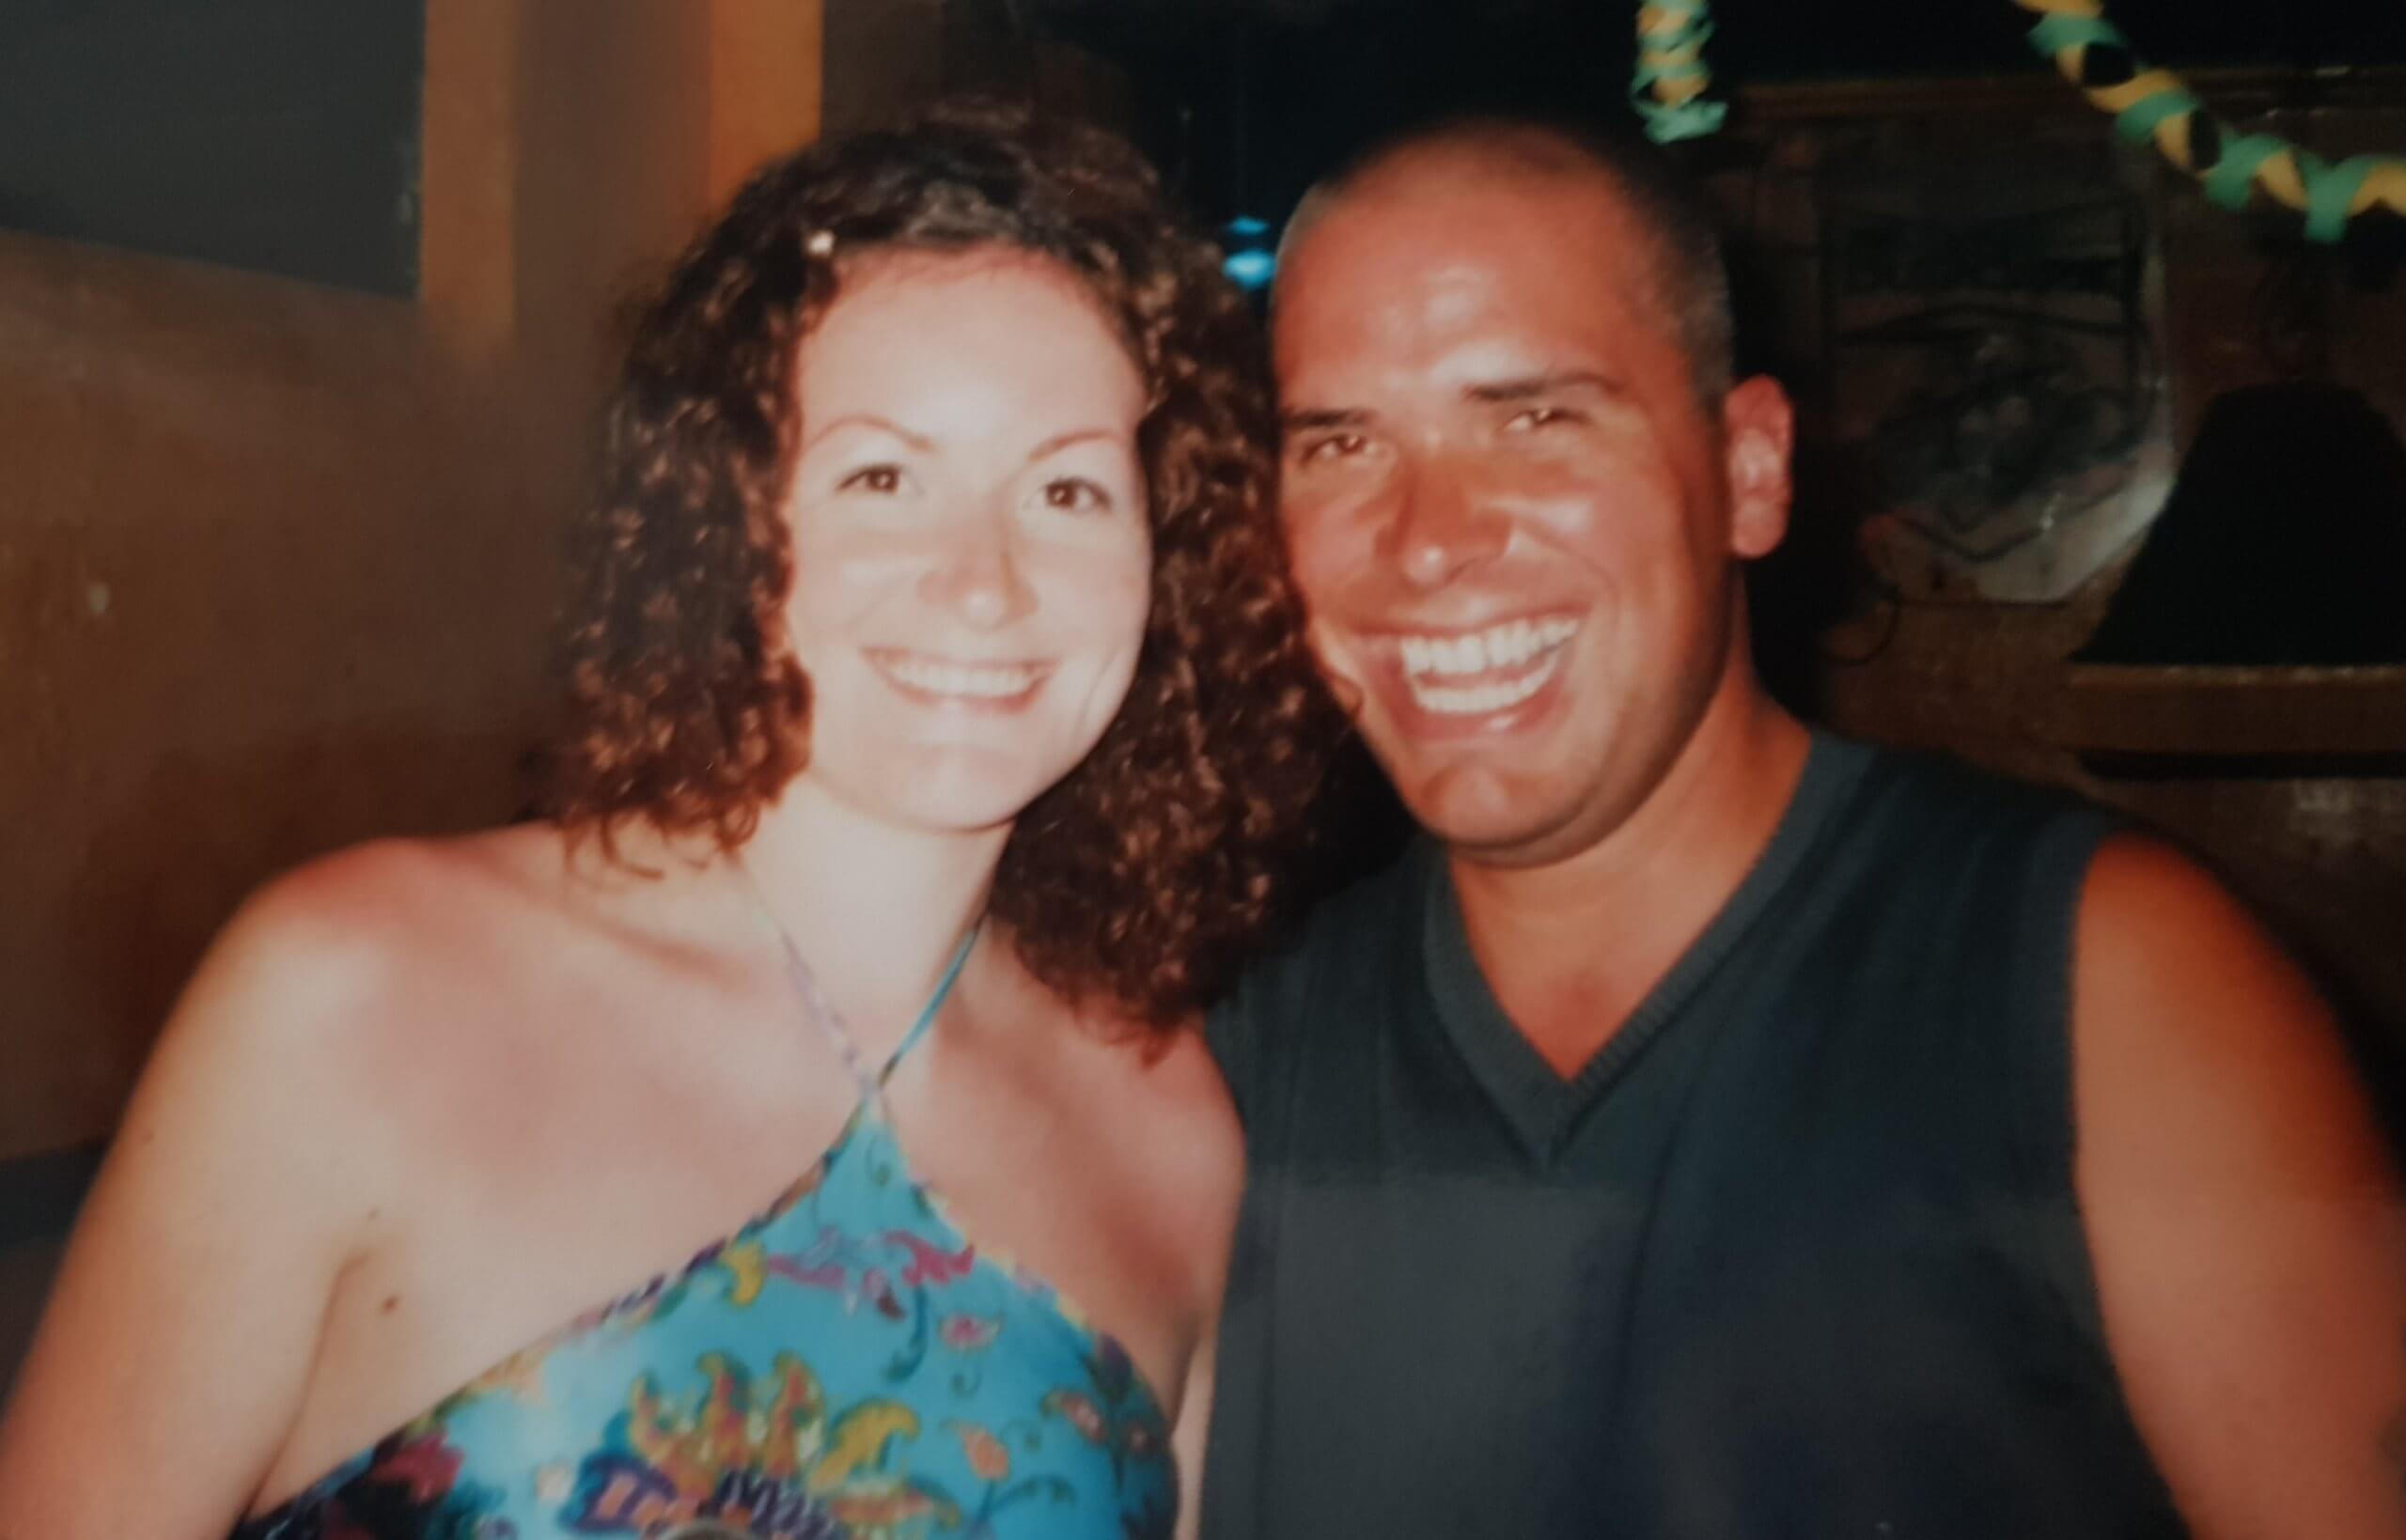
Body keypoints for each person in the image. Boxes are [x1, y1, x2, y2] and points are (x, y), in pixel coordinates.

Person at [0, 101, 1334, 1540]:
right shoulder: (355, 997)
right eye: (883, 476)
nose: (984, 582)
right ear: (727, 522)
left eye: (1068, 489)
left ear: (1165, 556)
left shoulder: (1170, 1128)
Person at [1198, 116, 2406, 1540]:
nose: (1428, 538)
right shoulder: (1226, 1052)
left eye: (1536, 419)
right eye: (1341, 443)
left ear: (1751, 470)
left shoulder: (2109, 987)